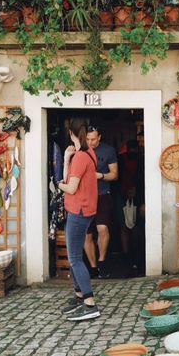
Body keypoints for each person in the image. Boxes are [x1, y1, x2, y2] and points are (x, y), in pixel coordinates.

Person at [58, 118, 100, 321]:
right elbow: (71, 179)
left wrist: (58, 185)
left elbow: (70, 187)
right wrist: (66, 159)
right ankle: (78, 296)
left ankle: (89, 303)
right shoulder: (86, 154)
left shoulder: (81, 157)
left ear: (71, 133)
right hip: (84, 209)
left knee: (74, 258)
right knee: (74, 257)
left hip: (79, 210)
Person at [84, 126, 118, 278]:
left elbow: (115, 175)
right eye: (87, 139)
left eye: (93, 139)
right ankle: (93, 267)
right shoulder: (81, 151)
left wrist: (101, 176)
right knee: (87, 234)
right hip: (85, 197)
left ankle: (102, 262)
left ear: (99, 137)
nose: (90, 142)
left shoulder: (108, 151)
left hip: (103, 194)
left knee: (102, 229)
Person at [117, 139, 145, 274]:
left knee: (132, 226)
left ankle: (131, 254)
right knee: (128, 225)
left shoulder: (139, 160)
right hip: (125, 194)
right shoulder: (126, 159)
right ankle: (129, 254)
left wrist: (134, 191)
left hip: (134, 195)